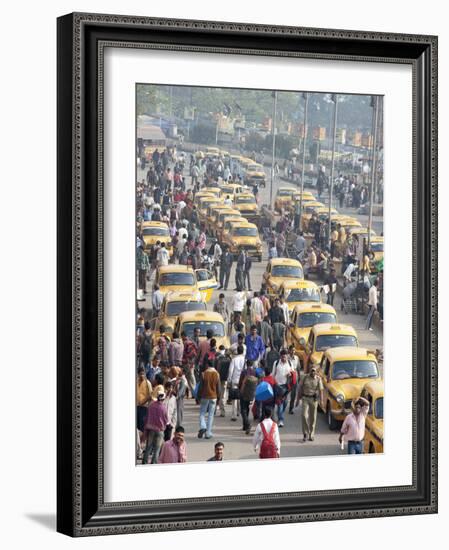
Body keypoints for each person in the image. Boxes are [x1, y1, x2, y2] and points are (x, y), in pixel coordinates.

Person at [297, 366, 324, 442]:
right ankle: (305, 433)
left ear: (316, 371)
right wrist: (297, 399)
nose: (312, 372)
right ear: (309, 370)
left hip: (313, 399)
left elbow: (321, 390)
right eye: (311, 370)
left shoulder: (318, 379)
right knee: (304, 415)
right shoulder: (305, 377)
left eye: (314, 371)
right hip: (305, 398)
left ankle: (311, 434)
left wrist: (321, 401)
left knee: (313, 418)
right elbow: (300, 387)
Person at [143, 390, 168, 464]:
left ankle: (144, 462)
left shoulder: (151, 405)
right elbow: (166, 419)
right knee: (157, 449)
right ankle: (153, 463)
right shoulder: (164, 408)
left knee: (148, 447)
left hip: (151, 429)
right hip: (160, 430)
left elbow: (147, 417)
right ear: (163, 398)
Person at [197, 359, 221, 439]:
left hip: (204, 396)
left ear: (207, 365)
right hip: (214, 397)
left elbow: (200, 387)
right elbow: (219, 388)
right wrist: (219, 398)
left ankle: (203, 427)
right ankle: (208, 432)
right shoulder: (217, 374)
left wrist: (198, 396)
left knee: (202, 413)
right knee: (211, 415)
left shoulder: (204, 374)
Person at [272, 349, 293, 427]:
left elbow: (292, 373)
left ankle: (279, 413)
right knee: (280, 403)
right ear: (280, 356)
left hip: (286, 386)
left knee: (286, 402)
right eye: (282, 357)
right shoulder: (276, 363)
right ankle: (280, 420)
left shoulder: (290, 363)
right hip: (278, 386)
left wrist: (290, 375)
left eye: (285, 357)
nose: (284, 358)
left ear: (287, 356)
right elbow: (273, 374)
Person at [227, 345, 246, 421]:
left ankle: (234, 415)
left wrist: (229, 380)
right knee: (240, 396)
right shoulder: (245, 360)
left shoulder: (234, 359)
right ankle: (239, 411)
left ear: (237, 351)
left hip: (235, 380)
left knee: (234, 398)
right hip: (242, 381)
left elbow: (231, 370)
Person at [239, 362, 258, 434]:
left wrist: (239, 389)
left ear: (246, 364)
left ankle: (247, 424)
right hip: (251, 394)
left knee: (243, 410)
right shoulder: (254, 372)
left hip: (244, 393)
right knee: (247, 408)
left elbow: (241, 382)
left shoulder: (244, 372)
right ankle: (245, 426)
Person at [215, 346, 231, 417]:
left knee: (219, 394)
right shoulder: (229, 360)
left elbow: (217, 369)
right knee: (223, 395)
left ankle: (217, 410)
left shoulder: (218, 359)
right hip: (225, 379)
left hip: (219, 378)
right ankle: (222, 411)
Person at [136, 367, 152, 433]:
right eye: (140, 374)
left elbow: (150, 396)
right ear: (138, 374)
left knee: (142, 425)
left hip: (144, 407)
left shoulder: (148, 383)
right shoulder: (135, 381)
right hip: (136, 406)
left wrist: (143, 403)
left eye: (143, 374)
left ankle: (142, 441)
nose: (142, 376)